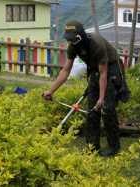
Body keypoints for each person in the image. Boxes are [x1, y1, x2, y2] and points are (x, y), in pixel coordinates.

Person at [42, 20, 125, 157]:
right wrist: (51, 91)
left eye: (73, 38)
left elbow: (104, 73)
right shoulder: (73, 46)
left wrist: (101, 98)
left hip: (111, 68)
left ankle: (113, 147)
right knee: (92, 111)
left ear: (80, 35)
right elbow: (65, 70)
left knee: (107, 108)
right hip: (94, 68)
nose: (71, 42)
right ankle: (92, 147)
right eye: (69, 39)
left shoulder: (96, 45)